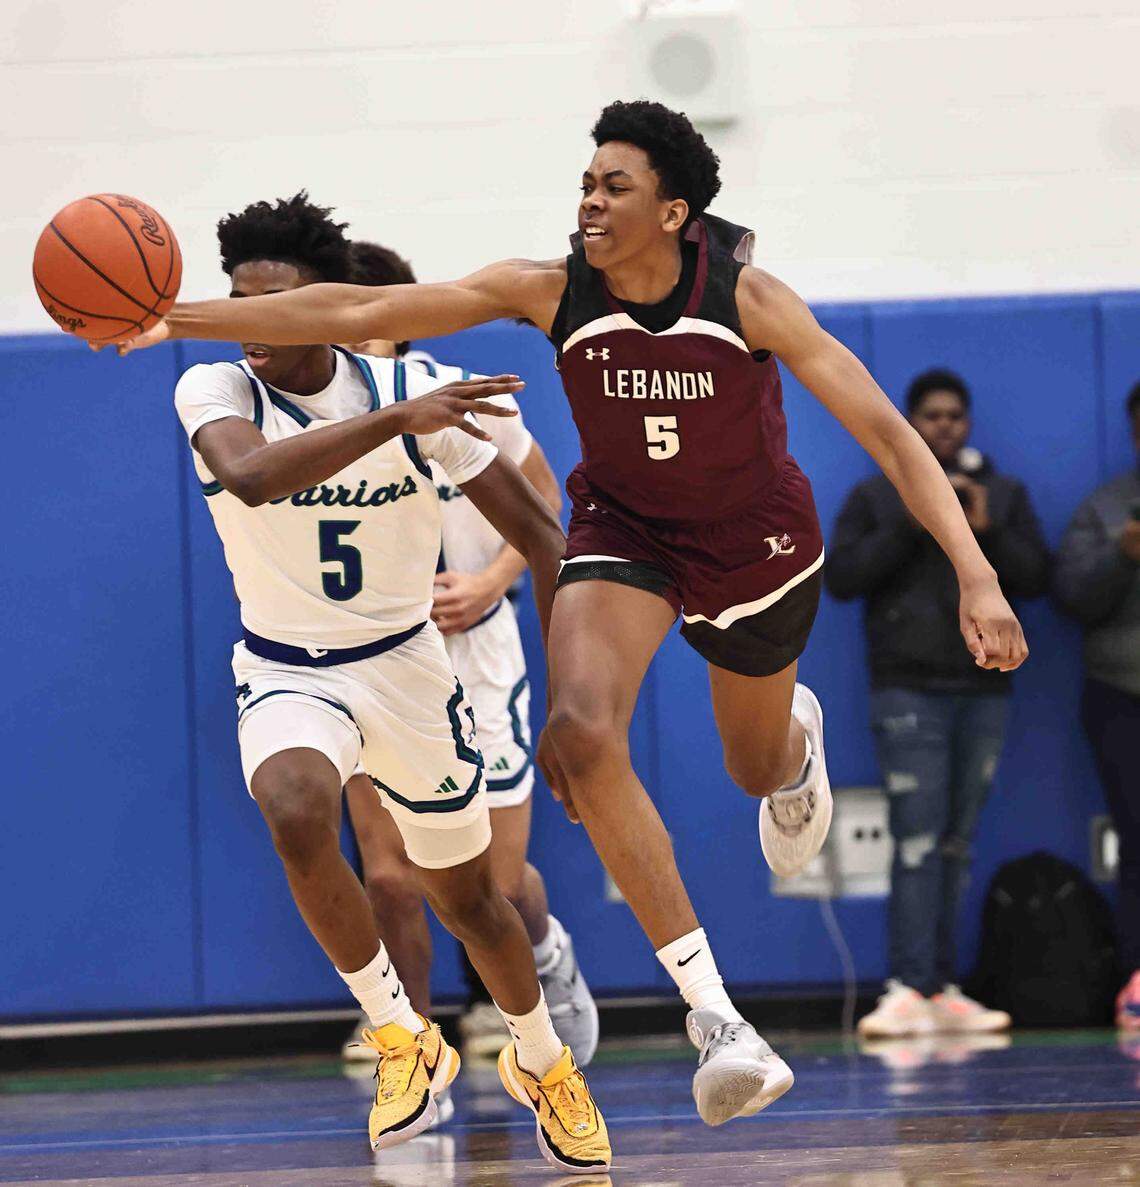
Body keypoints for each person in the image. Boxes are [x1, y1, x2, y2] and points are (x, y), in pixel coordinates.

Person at [116, 101, 1029, 1127]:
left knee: (752, 763)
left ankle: (793, 748)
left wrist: (977, 574)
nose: (590, 200)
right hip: (625, 528)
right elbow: (355, 307)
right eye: (587, 182)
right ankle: (718, 1018)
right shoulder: (548, 289)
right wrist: (169, 319)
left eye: (615, 186)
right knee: (584, 736)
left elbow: (893, 436)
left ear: (674, 213)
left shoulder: (750, 300)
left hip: (753, 542)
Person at [170, 193, 609, 1172]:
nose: (251, 324)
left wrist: (574, 705)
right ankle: (401, 1034)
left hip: (409, 667)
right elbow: (252, 477)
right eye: (238, 302)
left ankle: (544, 1061)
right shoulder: (215, 385)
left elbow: (544, 534)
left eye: (276, 305)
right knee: (299, 810)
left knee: (475, 898)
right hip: (287, 666)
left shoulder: (419, 389)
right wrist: (393, 425)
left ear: (328, 306)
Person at [338, 240, 599, 1067]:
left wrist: (490, 580)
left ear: (402, 316)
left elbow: (547, 502)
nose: (355, 324)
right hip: (371, 660)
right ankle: (408, 1042)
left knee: (493, 882)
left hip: (477, 654)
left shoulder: (464, 395)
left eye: (370, 307)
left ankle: (545, 952)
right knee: (389, 877)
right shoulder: (314, 416)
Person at [825, 368, 1049, 1037]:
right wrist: (916, 517)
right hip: (908, 690)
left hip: (982, 689)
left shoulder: (1001, 494)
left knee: (958, 842)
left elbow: (1039, 577)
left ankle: (944, 987)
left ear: (968, 424)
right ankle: (907, 985)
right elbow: (842, 577)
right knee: (916, 841)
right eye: (932, 416)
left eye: (955, 416)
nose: (944, 426)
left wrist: (984, 530)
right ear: (912, 423)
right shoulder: (877, 494)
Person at [1054, 381, 1140, 1033]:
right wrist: (1122, 556)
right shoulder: (1106, 509)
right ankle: (1138, 974)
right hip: (1121, 693)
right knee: (1136, 837)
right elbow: (1071, 597)